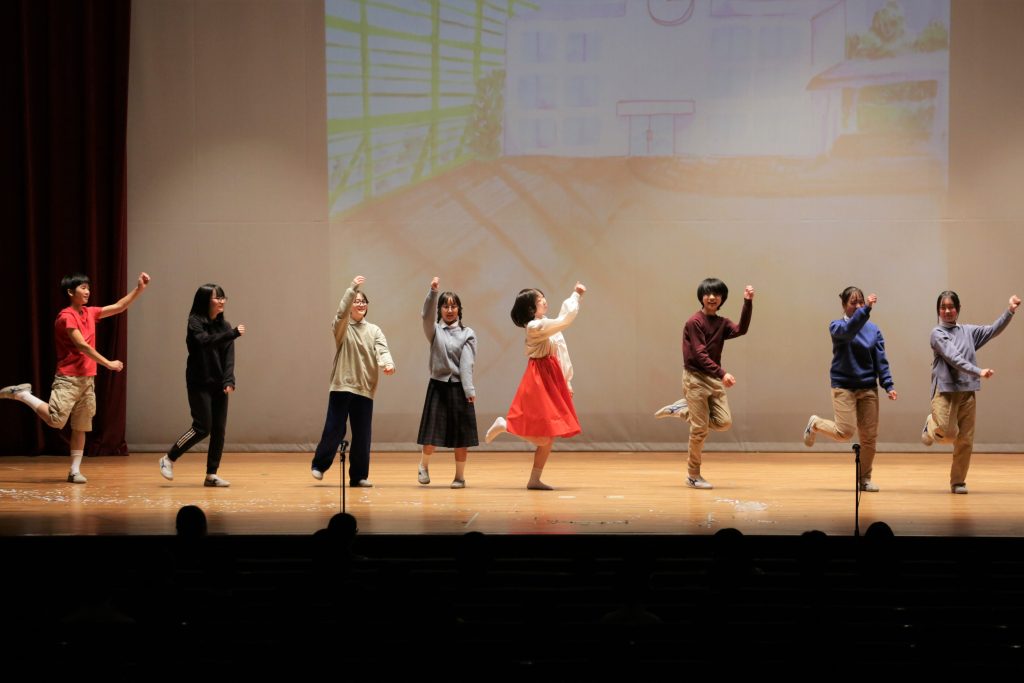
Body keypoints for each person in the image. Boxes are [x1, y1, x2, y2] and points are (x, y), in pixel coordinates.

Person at [1, 271, 151, 483]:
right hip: (68, 378)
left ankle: (74, 471)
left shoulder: (89, 312)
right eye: (83, 288)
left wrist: (139, 289)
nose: (88, 291)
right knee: (56, 420)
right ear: (71, 292)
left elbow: (119, 306)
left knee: (81, 426)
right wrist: (108, 363)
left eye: (88, 287)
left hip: (88, 380)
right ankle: (22, 394)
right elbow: (82, 345)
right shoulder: (66, 317)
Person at [485, 282, 585, 490]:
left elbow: (561, 352)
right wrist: (575, 295)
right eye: (539, 300)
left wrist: (566, 380)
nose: (544, 301)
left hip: (550, 375)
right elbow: (564, 320)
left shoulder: (545, 324)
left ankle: (534, 479)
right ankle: (505, 426)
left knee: (549, 437)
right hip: (540, 377)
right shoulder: (535, 327)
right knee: (544, 437)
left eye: (542, 297)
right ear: (531, 309)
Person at [655, 278, 753, 490]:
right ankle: (693, 475)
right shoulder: (694, 322)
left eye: (716, 294)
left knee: (724, 422)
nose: (712, 297)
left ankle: (684, 410)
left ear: (722, 299)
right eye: (707, 294)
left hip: (713, 379)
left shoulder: (722, 323)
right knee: (699, 429)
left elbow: (741, 329)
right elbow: (699, 354)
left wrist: (747, 302)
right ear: (701, 297)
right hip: (696, 379)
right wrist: (723, 373)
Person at [922, 290, 1019, 494]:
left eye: (951, 306)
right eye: (943, 307)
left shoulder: (968, 331)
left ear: (958, 308)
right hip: (945, 391)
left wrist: (1010, 311)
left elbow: (992, 330)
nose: (947, 311)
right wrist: (978, 371)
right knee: (948, 434)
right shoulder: (937, 334)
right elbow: (954, 358)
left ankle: (958, 482)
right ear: (938, 310)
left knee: (965, 440)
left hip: (967, 391)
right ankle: (931, 425)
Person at [802, 287, 897, 492]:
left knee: (869, 437)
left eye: (861, 302)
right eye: (853, 303)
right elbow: (849, 331)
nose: (858, 306)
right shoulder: (836, 327)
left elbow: (880, 360)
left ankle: (864, 479)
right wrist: (866, 310)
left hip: (868, 387)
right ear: (844, 305)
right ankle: (816, 424)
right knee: (845, 432)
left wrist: (888, 385)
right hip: (843, 386)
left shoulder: (873, 330)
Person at [311, 275, 395, 487]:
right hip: (342, 385)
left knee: (362, 434)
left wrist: (387, 363)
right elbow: (340, 313)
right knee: (334, 428)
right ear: (350, 306)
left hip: (365, 388)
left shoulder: (374, 330)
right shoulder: (343, 327)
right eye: (356, 301)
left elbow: (382, 349)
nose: (360, 304)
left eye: (363, 301)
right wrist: (352, 289)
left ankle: (358, 476)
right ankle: (319, 465)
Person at [158, 284, 244, 487]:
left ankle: (211, 475)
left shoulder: (225, 326)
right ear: (205, 301)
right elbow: (205, 341)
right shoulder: (195, 322)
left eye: (223, 297)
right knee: (202, 427)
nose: (221, 301)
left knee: (219, 430)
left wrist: (229, 380)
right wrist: (231, 334)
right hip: (199, 382)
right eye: (217, 298)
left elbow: (229, 357)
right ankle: (168, 458)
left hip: (219, 384)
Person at [416, 277, 478, 489]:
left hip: (460, 388)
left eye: (453, 306)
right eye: (445, 306)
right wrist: (433, 293)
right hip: (438, 386)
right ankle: (423, 466)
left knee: (461, 437)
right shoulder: (434, 330)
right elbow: (426, 315)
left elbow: (467, 364)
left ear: (459, 309)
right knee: (431, 434)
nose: (450, 310)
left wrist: (468, 389)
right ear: (440, 309)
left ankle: (459, 477)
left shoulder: (468, 333)